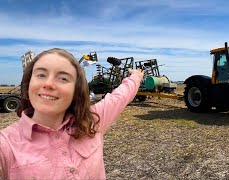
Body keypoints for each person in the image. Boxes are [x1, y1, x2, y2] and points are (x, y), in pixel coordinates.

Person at [0, 48, 143, 179]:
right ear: (29, 82)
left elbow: (121, 95)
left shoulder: (92, 121)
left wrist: (136, 76)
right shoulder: (6, 145)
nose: (49, 84)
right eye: (41, 75)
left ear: (76, 90)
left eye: (63, 78)